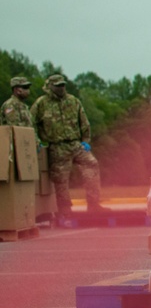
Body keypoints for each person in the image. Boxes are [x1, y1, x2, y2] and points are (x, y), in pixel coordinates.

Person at [30, 74, 109, 217]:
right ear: (50, 86)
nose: (61, 88)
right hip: (57, 146)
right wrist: (36, 140)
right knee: (61, 179)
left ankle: (93, 204)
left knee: (91, 164)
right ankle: (65, 209)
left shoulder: (73, 101)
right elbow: (32, 123)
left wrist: (85, 139)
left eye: (63, 85)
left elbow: (84, 121)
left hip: (75, 143)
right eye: (58, 85)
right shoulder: (41, 103)